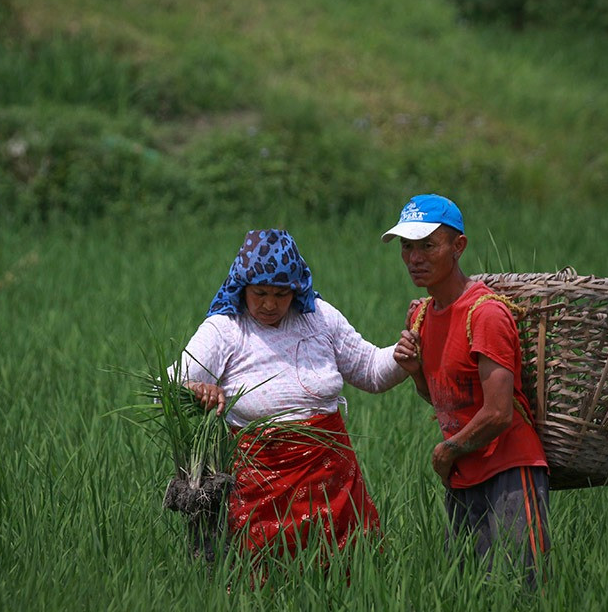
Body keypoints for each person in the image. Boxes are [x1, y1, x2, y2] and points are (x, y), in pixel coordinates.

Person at [179, 228, 407, 562]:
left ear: (297, 290)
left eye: (281, 295)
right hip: (260, 483)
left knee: (345, 574)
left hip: (333, 481)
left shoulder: (319, 317)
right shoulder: (225, 329)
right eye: (260, 293)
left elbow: (371, 370)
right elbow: (166, 387)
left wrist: (403, 356)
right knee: (262, 578)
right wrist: (197, 389)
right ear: (242, 288)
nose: (269, 304)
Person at [385, 194, 550, 588]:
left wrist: (447, 450)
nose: (414, 258)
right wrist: (415, 374)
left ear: (458, 247)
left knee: (518, 590)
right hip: (463, 472)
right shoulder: (421, 315)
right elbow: (446, 397)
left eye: (428, 245)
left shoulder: (486, 313)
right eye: (408, 247)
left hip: (508, 467)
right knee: (466, 593)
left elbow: (498, 413)